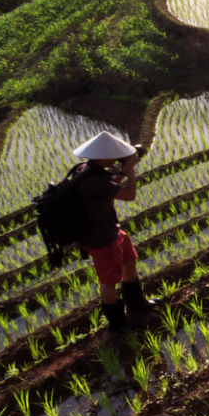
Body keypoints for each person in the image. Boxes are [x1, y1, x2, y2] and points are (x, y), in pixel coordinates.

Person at [73, 131, 157, 333]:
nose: (116, 157)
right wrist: (130, 171)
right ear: (105, 156)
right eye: (114, 154)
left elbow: (110, 186)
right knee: (109, 280)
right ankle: (118, 325)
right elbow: (129, 195)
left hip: (111, 230)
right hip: (100, 238)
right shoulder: (92, 179)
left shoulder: (88, 169)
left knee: (129, 260)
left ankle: (136, 303)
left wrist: (125, 170)